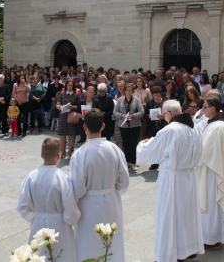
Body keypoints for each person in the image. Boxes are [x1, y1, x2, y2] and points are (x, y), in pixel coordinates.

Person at [137, 100, 204, 262]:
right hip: (188, 176)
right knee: (185, 216)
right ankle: (185, 250)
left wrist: (142, 144)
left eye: (163, 114)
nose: (163, 117)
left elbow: (150, 153)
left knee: (169, 216)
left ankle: (168, 254)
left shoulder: (170, 130)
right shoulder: (194, 129)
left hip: (172, 178)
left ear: (168, 114)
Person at [70, 109, 129, 262]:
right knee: (112, 244)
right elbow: (124, 181)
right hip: (111, 201)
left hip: (88, 205)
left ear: (84, 127)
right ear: (103, 126)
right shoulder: (115, 149)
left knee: (89, 244)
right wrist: (111, 193)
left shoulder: (80, 153)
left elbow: (77, 187)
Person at [16, 138, 80, 261]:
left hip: (38, 225)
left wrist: (35, 218)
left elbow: (22, 205)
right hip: (60, 225)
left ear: (41, 155)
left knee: (39, 256)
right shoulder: (62, 178)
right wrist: (69, 221)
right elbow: (70, 207)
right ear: (59, 155)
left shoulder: (31, 177)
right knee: (62, 255)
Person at [195, 96, 224, 248]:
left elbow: (205, 150)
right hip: (209, 168)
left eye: (205, 107)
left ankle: (212, 237)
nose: (203, 109)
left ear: (213, 108)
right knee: (210, 203)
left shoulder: (218, 126)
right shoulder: (212, 123)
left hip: (212, 172)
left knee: (211, 203)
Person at [113, 83, 144, 171]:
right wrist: (122, 115)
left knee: (132, 143)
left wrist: (133, 116)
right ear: (125, 91)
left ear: (133, 91)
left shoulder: (136, 100)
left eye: (130, 90)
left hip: (135, 125)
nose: (128, 92)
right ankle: (127, 162)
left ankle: (133, 162)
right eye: (127, 90)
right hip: (123, 125)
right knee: (125, 144)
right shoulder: (120, 100)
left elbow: (141, 111)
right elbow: (115, 112)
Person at [57, 78, 80, 159]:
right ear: (66, 86)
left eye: (71, 85)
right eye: (68, 85)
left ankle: (69, 151)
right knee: (62, 134)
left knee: (71, 134)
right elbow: (58, 104)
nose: (69, 87)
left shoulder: (76, 94)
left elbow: (79, 106)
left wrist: (73, 106)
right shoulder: (62, 94)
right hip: (63, 115)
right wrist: (60, 107)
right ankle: (63, 150)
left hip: (72, 115)